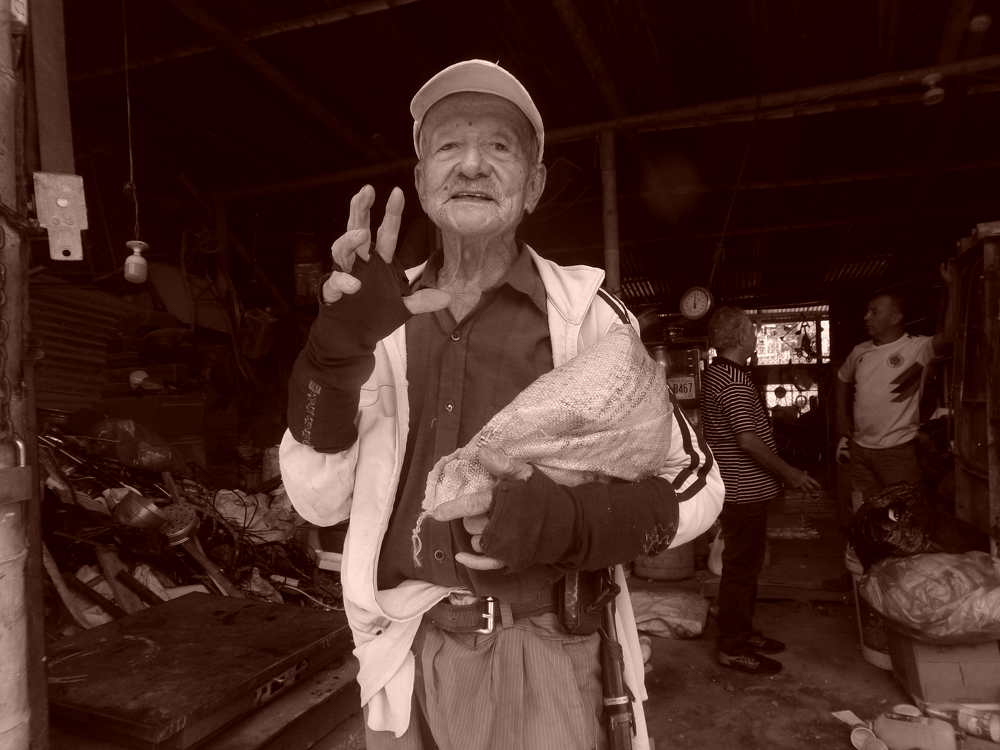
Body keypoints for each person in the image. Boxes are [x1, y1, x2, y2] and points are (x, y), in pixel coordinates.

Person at [279, 59, 724, 750]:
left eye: (499, 146)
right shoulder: (376, 315)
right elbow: (318, 500)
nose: (471, 165)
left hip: (542, 650)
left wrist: (567, 523)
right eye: (449, 146)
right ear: (422, 180)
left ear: (534, 185)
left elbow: (697, 484)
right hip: (400, 649)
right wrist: (332, 356)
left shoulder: (588, 316)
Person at [701, 306, 821, 675]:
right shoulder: (732, 381)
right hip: (743, 492)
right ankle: (732, 646)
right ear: (739, 337)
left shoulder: (720, 373)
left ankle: (742, 631)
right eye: (752, 331)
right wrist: (790, 473)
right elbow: (748, 440)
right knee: (741, 568)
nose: (756, 337)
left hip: (739, 489)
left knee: (745, 565)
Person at [835, 265, 957, 503]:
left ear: (896, 317)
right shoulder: (859, 351)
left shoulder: (916, 348)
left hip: (898, 451)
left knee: (904, 513)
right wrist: (841, 416)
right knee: (866, 512)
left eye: (874, 312)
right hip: (860, 449)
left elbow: (950, 336)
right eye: (867, 312)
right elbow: (841, 378)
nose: (866, 317)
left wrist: (953, 287)